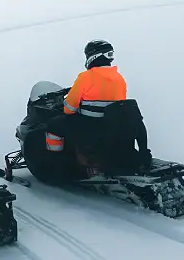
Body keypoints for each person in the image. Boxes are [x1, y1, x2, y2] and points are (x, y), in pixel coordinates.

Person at [63, 40, 151, 174]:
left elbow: (69, 109)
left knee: (54, 125)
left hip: (93, 128)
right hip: (114, 128)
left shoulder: (85, 77)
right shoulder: (118, 78)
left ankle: (57, 166)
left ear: (92, 56)